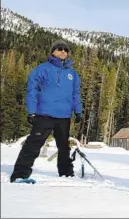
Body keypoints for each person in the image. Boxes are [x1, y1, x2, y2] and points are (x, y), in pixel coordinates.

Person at [10, 39, 82, 182]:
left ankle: (66, 174)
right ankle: (19, 174)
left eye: (66, 50)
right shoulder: (41, 69)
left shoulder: (72, 74)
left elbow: (76, 94)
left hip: (64, 116)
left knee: (64, 148)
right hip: (44, 114)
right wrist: (31, 111)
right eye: (60, 48)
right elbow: (32, 91)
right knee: (33, 145)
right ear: (53, 51)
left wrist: (78, 111)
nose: (63, 51)